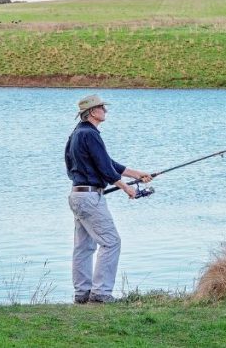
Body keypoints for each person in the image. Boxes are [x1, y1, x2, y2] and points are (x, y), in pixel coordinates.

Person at [65, 94, 152, 304]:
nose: (106, 110)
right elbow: (106, 169)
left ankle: (82, 293)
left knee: (84, 247)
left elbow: (106, 162)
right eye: (103, 107)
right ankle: (101, 294)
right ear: (93, 112)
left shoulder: (77, 134)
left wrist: (136, 174)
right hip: (90, 197)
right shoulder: (91, 134)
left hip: (77, 195)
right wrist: (126, 188)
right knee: (111, 242)